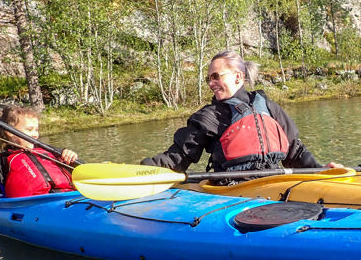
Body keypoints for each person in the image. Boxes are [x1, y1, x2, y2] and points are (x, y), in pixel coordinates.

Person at [142, 50, 338, 175]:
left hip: (273, 182)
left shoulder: (269, 107)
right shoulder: (210, 116)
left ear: (238, 76)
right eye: (209, 78)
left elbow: (295, 152)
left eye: (216, 76)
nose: (211, 83)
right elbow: (177, 158)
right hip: (231, 190)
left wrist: (321, 171)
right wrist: (144, 171)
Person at [0, 100, 79, 197]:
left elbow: (81, 177)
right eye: (29, 130)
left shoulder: (51, 153)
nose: (35, 134)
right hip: (32, 207)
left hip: (71, 198)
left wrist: (70, 158)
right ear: (10, 132)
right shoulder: (0, 162)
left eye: (36, 129)